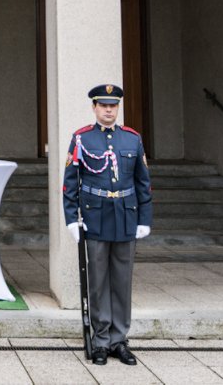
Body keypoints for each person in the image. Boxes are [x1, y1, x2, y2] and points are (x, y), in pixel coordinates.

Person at [62, 84, 152, 367]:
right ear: (94, 107)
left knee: (122, 281)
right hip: (95, 217)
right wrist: (70, 218)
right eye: (104, 105)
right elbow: (70, 183)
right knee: (98, 281)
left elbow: (142, 183)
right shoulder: (81, 139)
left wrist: (144, 219)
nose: (109, 110)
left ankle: (119, 340)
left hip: (126, 215)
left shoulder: (132, 140)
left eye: (113, 106)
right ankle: (100, 340)